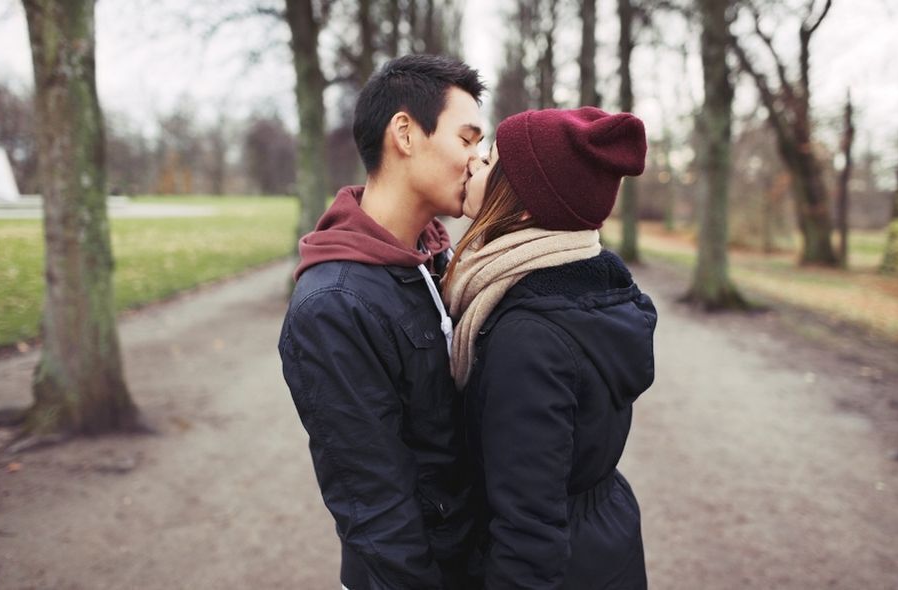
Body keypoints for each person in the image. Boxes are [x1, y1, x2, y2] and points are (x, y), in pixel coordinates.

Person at [277, 54, 486, 590]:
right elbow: (375, 505)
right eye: (466, 139)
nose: (477, 159)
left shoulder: (436, 261)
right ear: (405, 133)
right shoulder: (332, 306)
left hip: (473, 559)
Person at [443, 106, 657, 589]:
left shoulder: (529, 339)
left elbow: (528, 532)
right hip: (602, 546)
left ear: (522, 207)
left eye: (490, 159)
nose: (474, 162)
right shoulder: (585, 292)